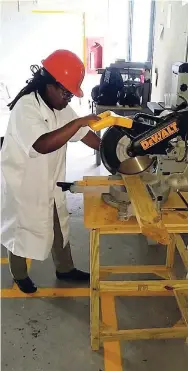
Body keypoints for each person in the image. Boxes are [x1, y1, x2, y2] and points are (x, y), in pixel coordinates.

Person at [1, 49, 101, 294]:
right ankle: (19, 273)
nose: (69, 98)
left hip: (50, 180)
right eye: (66, 91)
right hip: (24, 184)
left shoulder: (60, 106)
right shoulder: (26, 107)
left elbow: (84, 134)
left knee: (59, 224)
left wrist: (113, 150)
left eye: (71, 93)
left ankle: (65, 269)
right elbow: (42, 144)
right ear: (49, 84)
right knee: (21, 229)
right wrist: (78, 122)